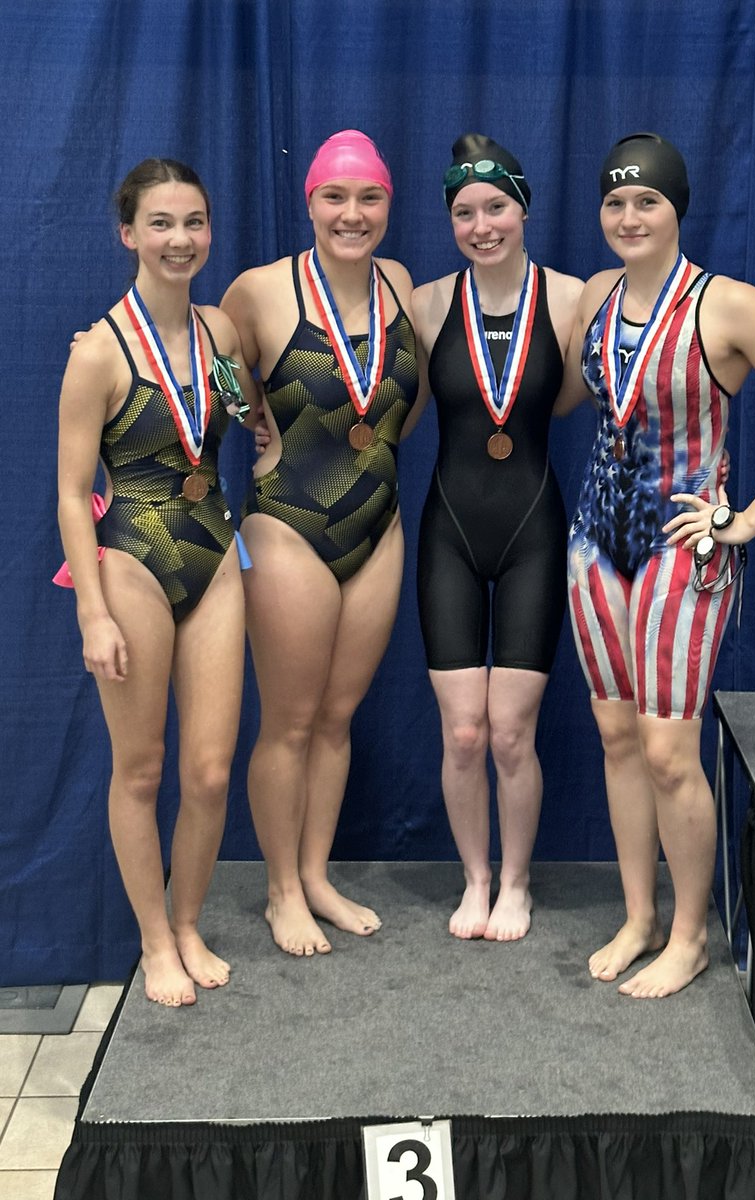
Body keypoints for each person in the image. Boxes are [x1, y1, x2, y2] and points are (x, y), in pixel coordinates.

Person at [558, 133, 755, 996]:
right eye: (615, 202)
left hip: (681, 555)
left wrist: (745, 519)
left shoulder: (731, 307)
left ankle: (688, 934)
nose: (629, 215)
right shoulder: (599, 297)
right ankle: (639, 915)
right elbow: (574, 393)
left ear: (677, 207)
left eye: (647, 200)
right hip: (594, 548)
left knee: (668, 751)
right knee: (616, 737)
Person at [219, 131, 418, 956]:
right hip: (288, 523)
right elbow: (215, 371)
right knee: (290, 723)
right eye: (335, 197)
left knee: (337, 719)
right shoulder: (259, 291)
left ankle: (316, 875)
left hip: (379, 523)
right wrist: (250, 422)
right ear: (310, 202)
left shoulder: (399, 283)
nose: (352, 213)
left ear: (387, 206)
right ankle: (278, 893)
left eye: (368, 197)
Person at [57, 159, 248, 1006]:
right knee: (141, 770)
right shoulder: (97, 351)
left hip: (214, 552)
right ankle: (153, 939)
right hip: (131, 554)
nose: (181, 239)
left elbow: (258, 420)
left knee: (209, 772)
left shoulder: (222, 334)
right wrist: (93, 615)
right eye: (162, 223)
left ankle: (190, 918)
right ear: (128, 233)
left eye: (195, 222)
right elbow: (68, 493)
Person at [410, 134, 583, 941]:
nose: (483, 225)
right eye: (464, 212)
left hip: (533, 530)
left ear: (524, 207)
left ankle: (517, 883)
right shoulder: (427, 303)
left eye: (496, 207)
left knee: (512, 733)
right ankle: (473, 879)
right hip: (449, 528)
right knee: (464, 731)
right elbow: (381, 399)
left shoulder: (575, 299)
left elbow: (594, 392)